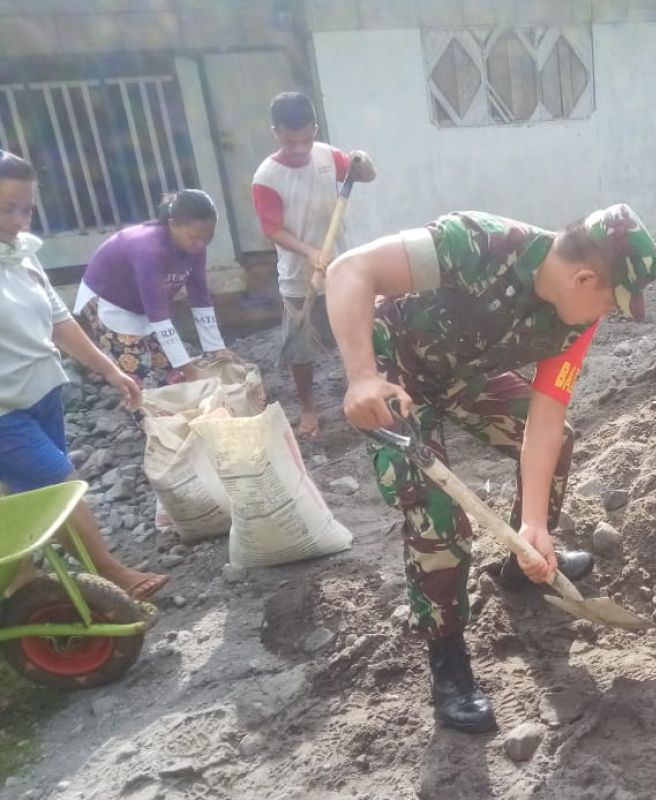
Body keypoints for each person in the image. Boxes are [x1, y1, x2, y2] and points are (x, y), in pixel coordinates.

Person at [326, 204, 656, 733]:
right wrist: (361, 376)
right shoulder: (478, 243)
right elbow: (350, 269)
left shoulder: (574, 323)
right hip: (394, 370)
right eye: (610, 303)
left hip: (461, 375)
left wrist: (533, 523)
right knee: (437, 510)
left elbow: (546, 419)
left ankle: (521, 563)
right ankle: (448, 660)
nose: (607, 314)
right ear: (583, 278)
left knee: (559, 444)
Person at [0, 151, 168, 600]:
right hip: (4, 413)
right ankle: (109, 571)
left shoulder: (21, 257)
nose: (18, 220)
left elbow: (60, 321)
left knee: (25, 499)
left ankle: (19, 586)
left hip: (42, 394)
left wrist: (112, 371)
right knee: (57, 484)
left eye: (26, 208)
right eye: (6, 209)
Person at [252, 91, 375, 438]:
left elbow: (365, 175)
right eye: (291, 142)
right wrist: (308, 252)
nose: (300, 149)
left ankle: (362, 392)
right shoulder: (267, 176)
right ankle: (308, 407)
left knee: (356, 334)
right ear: (275, 132)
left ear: (315, 129)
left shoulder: (324, 155)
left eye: (306, 139)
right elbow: (272, 228)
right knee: (301, 347)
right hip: (298, 276)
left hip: (340, 267)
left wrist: (362, 162)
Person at [75, 189, 236, 388]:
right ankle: (142, 415)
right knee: (138, 380)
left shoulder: (195, 246)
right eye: (194, 236)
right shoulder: (148, 250)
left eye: (208, 236)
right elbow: (158, 313)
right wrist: (189, 369)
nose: (201, 243)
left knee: (172, 375)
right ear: (172, 225)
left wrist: (216, 348)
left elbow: (200, 296)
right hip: (110, 302)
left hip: (143, 305)